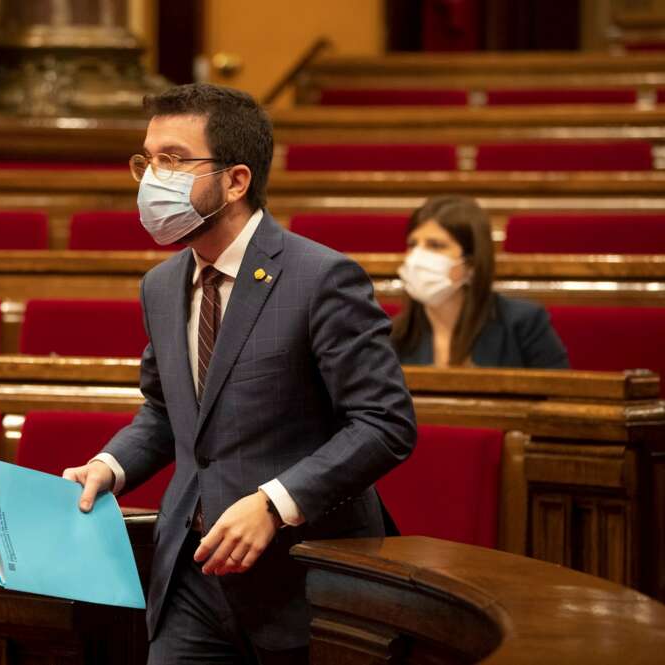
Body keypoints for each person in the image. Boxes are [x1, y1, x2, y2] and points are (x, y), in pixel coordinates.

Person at [62, 83, 416, 665]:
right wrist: (110, 465)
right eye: (147, 161)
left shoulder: (321, 278)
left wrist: (276, 502)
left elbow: (385, 423)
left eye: (173, 160)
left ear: (236, 181)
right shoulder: (160, 284)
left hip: (303, 581)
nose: (153, 178)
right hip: (191, 577)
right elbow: (165, 410)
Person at [391, 195, 569, 368]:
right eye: (413, 244)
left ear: (471, 262)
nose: (417, 257)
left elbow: (560, 394)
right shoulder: (394, 335)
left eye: (436, 245)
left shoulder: (523, 324)